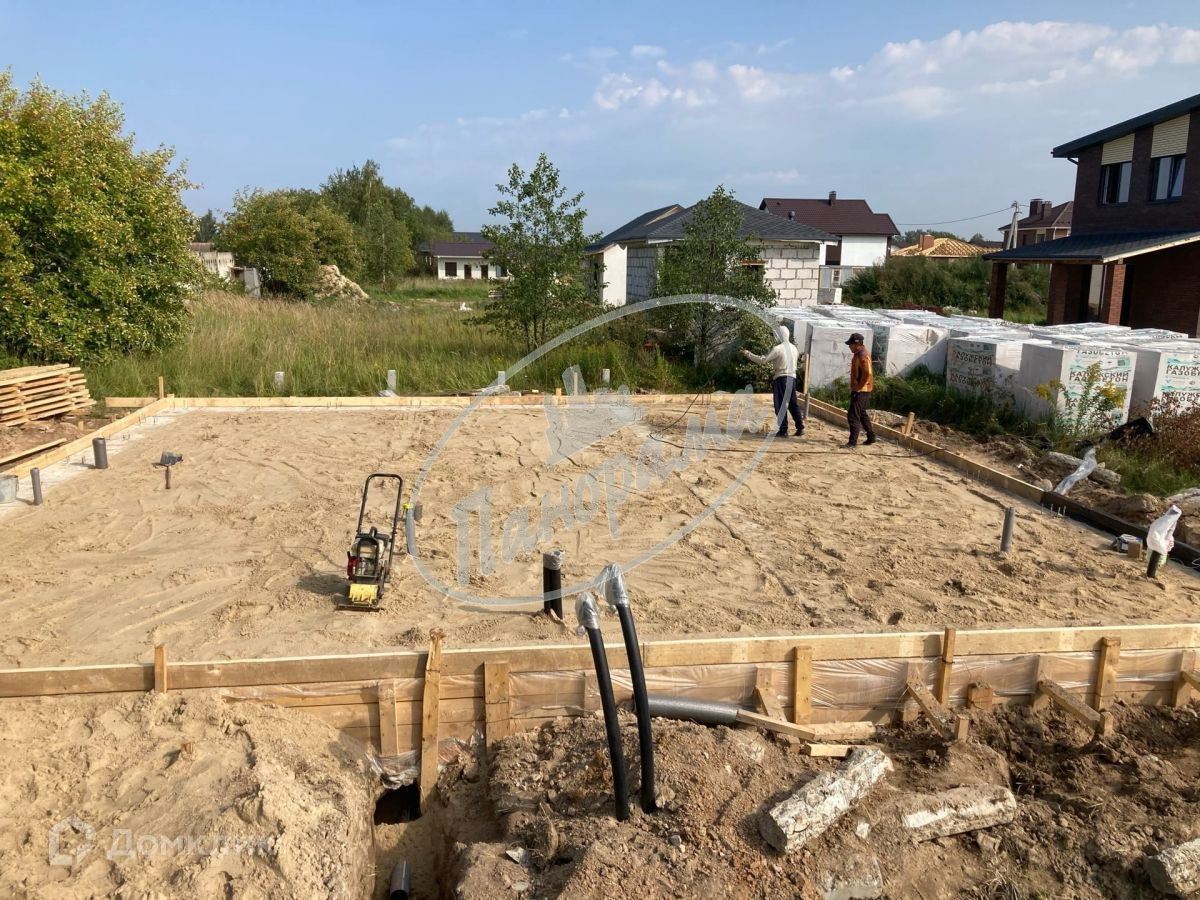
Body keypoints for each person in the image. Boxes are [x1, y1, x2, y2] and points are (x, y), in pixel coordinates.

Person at [741, 324, 803, 438]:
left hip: (781, 379)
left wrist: (747, 354)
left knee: (780, 405)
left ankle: (783, 430)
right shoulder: (794, 349)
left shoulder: (778, 349)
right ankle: (800, 427)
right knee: (793, 404)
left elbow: (763, 360)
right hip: (792, 379)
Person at [844, 332, 876, 447]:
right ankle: (871, 437)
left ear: (857, 344)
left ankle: (852, 442)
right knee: (861, 413)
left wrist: (858, 387)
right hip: (864, 389)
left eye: (851, 344)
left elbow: (868, 373)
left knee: (853, 415)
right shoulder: (860, 353)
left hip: (861, 390)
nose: (849, 346)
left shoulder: (862, 355)